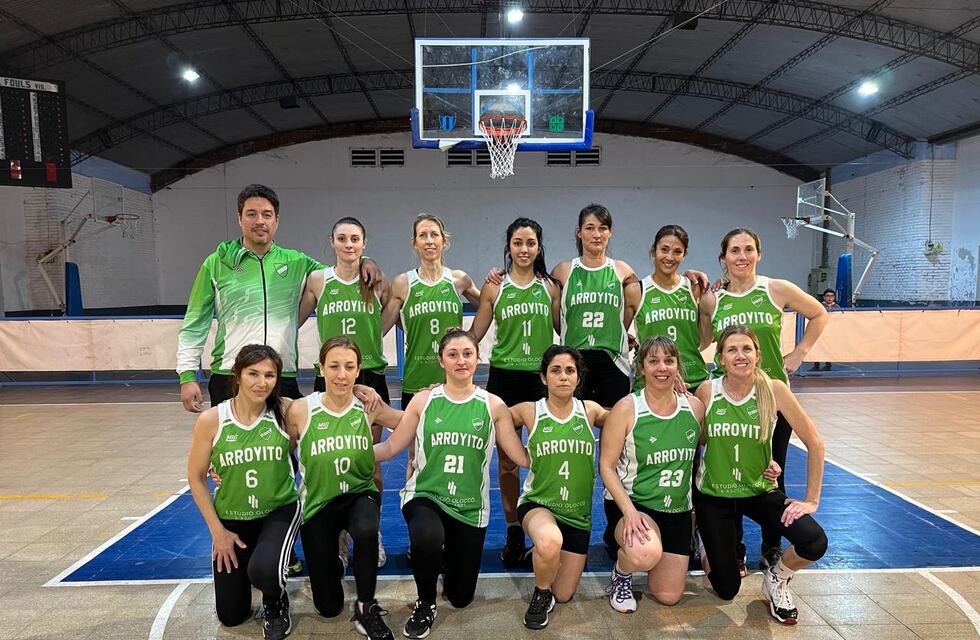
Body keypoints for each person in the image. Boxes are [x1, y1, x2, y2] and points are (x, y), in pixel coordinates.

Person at [374, 329, 529, 639]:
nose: (461, 360)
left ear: (478, 358)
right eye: (453, 354)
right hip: (426, 494)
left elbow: (519, 457)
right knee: (426, 535)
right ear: (441, 360)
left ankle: (445, 556)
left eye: (467, 354)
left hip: (470, 505)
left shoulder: (493, 405)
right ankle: (426, 602)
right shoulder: (424, 399)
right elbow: (391, 447)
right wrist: (354, 452)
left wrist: (555, 449)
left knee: (460, 598)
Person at [177, 184, 381, 412]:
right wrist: (187, 376)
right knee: (233, 447)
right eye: (251, 214)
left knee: (285, 447)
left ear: (276, 220)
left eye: (267, 214)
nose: (260, 221)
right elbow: (194, 325)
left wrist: (366, 259)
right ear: (239, 219)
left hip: (282, 376)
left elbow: (343, 269)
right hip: (231, 375)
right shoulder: (217, 263)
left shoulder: (296, 262)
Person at [698, 227, 828, 570]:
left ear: (759, 254)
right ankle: (734, 545)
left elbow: (819, 313)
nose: (742, 256)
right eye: (735, 250)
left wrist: (799, 352)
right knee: (727, 466)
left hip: (771, 398)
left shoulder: (776, 289)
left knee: (773, 473)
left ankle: (771, 546)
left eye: (748, 249)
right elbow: (699, 343)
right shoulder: (714, 299)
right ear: (723, 258)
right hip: (727, 395)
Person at [694, 325, 828, 625]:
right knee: (727, 589)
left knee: (814, 541)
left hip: (759, 492)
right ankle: (705, 539)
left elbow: (815, 443)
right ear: (720, 358)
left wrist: (811, 500)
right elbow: (696, 444)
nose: (740, 355)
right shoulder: (707, 390)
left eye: (746, 349)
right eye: (731, 350)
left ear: (757, 354)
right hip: (715, 497)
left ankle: (777, 578)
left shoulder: (773, 388)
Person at [287, 337, 404, 640]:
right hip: (319, 503)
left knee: (366, 529)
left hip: (358, 493)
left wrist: (434, 396)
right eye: (334, 366)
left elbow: (411, 421)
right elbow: (270, 445)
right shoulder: (300, 410)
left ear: (358, 370)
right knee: (328, 607)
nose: (341, 374)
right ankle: (331, 565)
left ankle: (366, 606)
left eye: (349, 367)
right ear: (321, 369)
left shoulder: (368, 406)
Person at [186, 345, 300, 640]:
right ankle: (261, 564)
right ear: (236, 375)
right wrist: (218, 532)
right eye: (253, 373)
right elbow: (196, 478)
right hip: (232, 519)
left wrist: (365, 391)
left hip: (278, 510)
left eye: (270, 375)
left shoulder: (286, 411)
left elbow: (332, 399)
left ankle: (276, 601)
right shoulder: (212, 420)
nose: (262, 383)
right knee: (231, 616)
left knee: (264, 571)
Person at [299, 216, 392, 567]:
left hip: (368, 372)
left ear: (365, 243)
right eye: (342, 238)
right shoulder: (318, 280)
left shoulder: (376, 281)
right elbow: (294, 316)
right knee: (328, 461)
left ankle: (372, 533)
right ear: (332, 241)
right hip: (331, 375)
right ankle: (337, 537)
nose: (349, 244)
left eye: (355, 238)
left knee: (369, 462)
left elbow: (390, 317)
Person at [469, 217, 561, 567]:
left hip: (539, 383)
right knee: (507, 463)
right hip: (503, 380)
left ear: (539, 247)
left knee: (545, 456)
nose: (524, 249)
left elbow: (564, 329)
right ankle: (513, 529)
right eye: (518, 242)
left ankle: (546, 522)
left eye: (531, 243)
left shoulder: (551, 287)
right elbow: (475, 334)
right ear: (508, 246)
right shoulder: (494, 288)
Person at [598, 336, 704, 614]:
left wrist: (769, 465)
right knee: (644, 553)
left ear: (678, 366)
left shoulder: (694, 408)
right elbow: (606, 467)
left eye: (669, 361)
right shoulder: (626, 408)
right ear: (642, 367)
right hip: (635, 503)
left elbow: (712, 450)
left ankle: (651, 551)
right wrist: (629, 512)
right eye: (653, 361)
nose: (662, 368)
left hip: (678, 510)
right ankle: (622, 572)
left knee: (668, 595)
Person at [509, 345, 608, 628]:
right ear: (543, 377)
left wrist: (670, 395)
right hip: (539, 504)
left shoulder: (590, 411)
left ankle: (542, 554)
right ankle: (540, 593)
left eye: (569, 370)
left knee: (563, 594)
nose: (563, 376)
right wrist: (519, 455)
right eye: (555, 370)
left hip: (577, 513)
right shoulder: (530, 411)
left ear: (578, 377)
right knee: (550, 541)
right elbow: (491, 415)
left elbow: (629, 415)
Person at [381, 214, 480, 411]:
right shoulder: (403, 283)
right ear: (414, 242)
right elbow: (379, 329)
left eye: (434, 235)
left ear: (444, 241)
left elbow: (491, 306)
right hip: (416, 378)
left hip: (456, 378)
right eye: (422, 235)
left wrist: (471, 338)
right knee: (415, 440)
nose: (429, 241)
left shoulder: (459, 280)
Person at [552, 204, 640, 408]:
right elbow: (556, 318)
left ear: (610, 232)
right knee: (574, 426)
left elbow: (632, 307)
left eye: (603, 228)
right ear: (579, 232)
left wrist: (618, 331)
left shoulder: (622, 270)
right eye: (590, 228)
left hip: (613, 361)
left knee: (615, 429)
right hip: (574, 361)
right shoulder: (563, 270)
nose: (596, 234)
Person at [633, 225, 710, 392]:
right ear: (654, 251)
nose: (669, 257)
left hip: (694, 379)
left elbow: (706, 336)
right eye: (664, 249)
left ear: (684, 255)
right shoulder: (637, 290)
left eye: (677, 251)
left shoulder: (694, 287)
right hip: (651, 381)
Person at [809, 289, 840, 371]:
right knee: (818, 345)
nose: (830, 298)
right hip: (820, 329)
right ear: (824, 297)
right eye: (827, 296)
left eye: (832, 296)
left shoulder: (837, 307)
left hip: (831, 331)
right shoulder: (819, 306)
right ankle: (816, 363)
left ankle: (828, 363)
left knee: (829, 346)